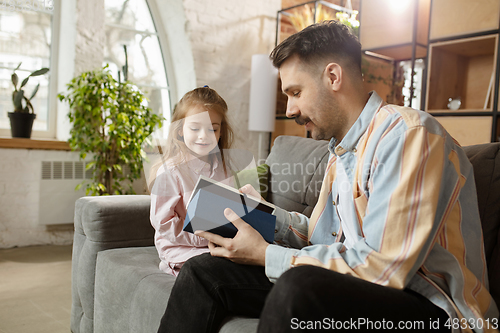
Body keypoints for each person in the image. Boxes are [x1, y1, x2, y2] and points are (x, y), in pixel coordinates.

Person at [157, 21, 499, 333]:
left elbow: (385, 270)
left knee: (298, 286)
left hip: (430, 307)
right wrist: (260, 214)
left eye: (294, 92)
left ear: (333, 77)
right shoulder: (340, 155)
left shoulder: (409, 136)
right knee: (203, 271)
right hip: (359, 288)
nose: (289, 110)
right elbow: (320, 239)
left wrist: (266, 255)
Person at [149, 86, 234, 276]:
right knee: (216, 268)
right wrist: (205, 238)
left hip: (216, 243)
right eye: (195, 128)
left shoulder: (223, 168)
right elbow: (164, 223)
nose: (204, 135)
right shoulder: (170, 171)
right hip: (181, 247)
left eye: (213, 129)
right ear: (180, 130)